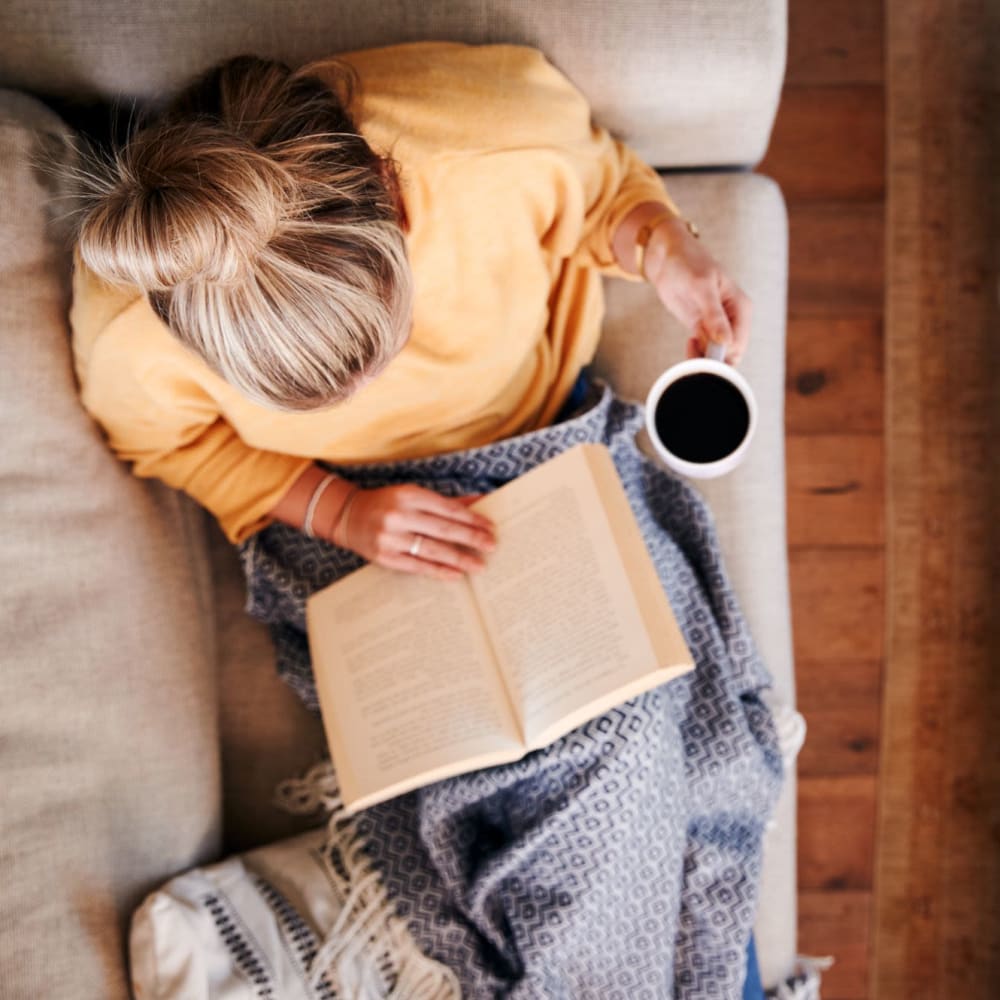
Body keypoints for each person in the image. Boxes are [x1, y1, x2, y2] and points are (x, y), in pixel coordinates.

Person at [69, 43, 776, 999]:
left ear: (398, 199)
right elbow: (170, 446)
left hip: (541, 453)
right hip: (346, 522)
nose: (374, 389)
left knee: (638, 732)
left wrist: (661, 246)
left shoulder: (487, 136)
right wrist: (340, 508)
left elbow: (605, 195)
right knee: (501, 777)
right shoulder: (137, 315)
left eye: (383, 345)